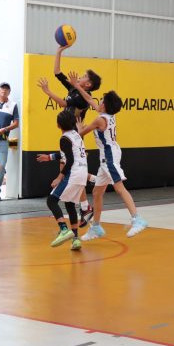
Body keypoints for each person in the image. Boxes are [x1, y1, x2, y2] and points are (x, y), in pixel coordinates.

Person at [73, 88, 148, 240]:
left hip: (109, 156)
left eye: (101, 101)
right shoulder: (107, 114)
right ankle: (96, 227)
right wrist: (77, 86)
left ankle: (137, 219)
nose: (98, 102)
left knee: (119, 188)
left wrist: (80, 128)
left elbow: (80, 134)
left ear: (104, 105)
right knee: (97, 192)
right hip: (109, 153)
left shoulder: (100, 120)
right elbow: (90, 99)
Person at [38, 54, 102, 225]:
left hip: (74, 134)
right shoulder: (74, 89)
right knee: (73, 172)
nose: (80, 76)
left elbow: (64, 104)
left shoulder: (84, 97)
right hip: (70, 133)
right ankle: (86, 203)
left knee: (69, 171)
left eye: (84, 77)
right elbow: (57, 73)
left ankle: (89, 196)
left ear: (88, 84)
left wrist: (48, 92)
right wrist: (60, 49)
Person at [45, 110, 88, 250]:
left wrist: (59, 177)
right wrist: (49, 157)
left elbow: (70, 160)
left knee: (51, 201)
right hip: (82, 173)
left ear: (58, 125)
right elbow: (67, 154)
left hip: (73, 174)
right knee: (69, 204)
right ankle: (75, 239)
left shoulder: (64, 138)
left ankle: (64, 229)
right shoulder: (76, 135)